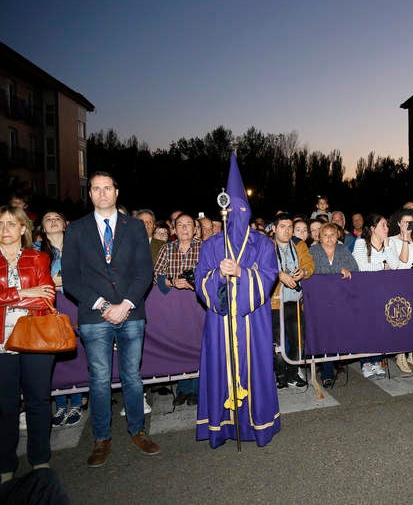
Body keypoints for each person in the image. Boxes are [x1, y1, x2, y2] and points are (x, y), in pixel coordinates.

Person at [62, 171, 160, 467]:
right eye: (96, 189)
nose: (102, 193)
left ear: (117, 192)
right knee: (100, 379)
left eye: (107, 188)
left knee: (132, 376)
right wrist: (103, 304)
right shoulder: (77, 229)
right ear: (89, 194)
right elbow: (71, 278)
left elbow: (145, 271)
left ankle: (138, 431)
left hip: (131, 314)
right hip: (94, 316)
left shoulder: (134, 228)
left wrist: (125, 304)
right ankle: (101, 439)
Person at [194, 155, 281, 448]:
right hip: (221, 323)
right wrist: (219, 274)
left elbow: (269, 278)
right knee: (221, 368)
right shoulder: (211, 245)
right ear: (224, 210)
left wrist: (242, 272)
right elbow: (200, 282)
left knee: (254, 369)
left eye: (242, 208)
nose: (238, 213)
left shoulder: (263, 244)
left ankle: (258, 424)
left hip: (252, 323)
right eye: (232, 208)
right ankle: (222, 426)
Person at [0, 205, 57, 483]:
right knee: (5, 405)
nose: (5, 230)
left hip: (35, 339)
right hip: (1, 345)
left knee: (38, 401)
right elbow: (33, 294)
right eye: (0, 224)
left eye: (11, 224)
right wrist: (24, 291)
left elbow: (46, 298)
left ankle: (40, 460)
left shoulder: (38, 258)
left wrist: (8, 296)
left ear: (23, 228)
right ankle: (4, 465)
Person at [34, 212, 83, 428]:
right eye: (47, 218)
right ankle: (61, 403)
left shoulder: (79, 247)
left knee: (79, 352)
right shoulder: (35, 252)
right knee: (56, 354)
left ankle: (79, 401)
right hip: (52, 307)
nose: (53, 220)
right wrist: (50, 282)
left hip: (78, 304)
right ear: (43, 228)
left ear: (65, 223)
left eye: (57, 217)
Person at [153, 213, 202, 405]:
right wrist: (173, 282)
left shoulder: (205, 247)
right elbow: (157, 276)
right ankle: (183, 388)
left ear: (195, 229)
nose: (184, 228)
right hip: (175, 305)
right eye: (180, 225)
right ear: (174, 228)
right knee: (180, 344)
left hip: (198, 304)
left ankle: (198, 388)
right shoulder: (167, 248)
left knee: (198, 344)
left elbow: (214, 273)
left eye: (188, 225)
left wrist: (196, 282)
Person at [308, 223, 359, 386]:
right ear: (319, 237)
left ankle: (337, 361)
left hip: (341, 301)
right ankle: (327, 372)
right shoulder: (313, 251)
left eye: (332, 234)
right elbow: (310, 271)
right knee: (326, 335)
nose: (329, 238)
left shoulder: (343, 250)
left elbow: (355, 269)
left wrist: (347, 270)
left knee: (339, 333)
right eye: (325, 235)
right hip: (320, 302)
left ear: (338, 236)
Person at [351, 214, 400, 378]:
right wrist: (382, 265)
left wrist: (387, 245)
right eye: (383, 225)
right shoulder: (361, 243)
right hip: (365, 292)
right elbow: (361, 266)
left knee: (380, 326)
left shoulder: (389, 243)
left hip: (383, 292)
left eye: (387, 225)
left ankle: (377, 361)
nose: (387, 228)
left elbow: (395, 265)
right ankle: (365, 362)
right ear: (373, 228)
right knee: (366, 327)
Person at [271, 213, 314, 389]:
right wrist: (278, 275)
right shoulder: (266, 245)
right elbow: (259, 266)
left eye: (289, 227)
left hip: (295, 302)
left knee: (298, 340)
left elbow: (309, 265)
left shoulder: (299, 244)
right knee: (276, 342)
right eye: (282, 226)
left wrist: (303, 272)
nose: (287, 230)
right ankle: (280, 374)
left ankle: (293, 373)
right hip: (274, 303)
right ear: (274, 229)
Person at [387, 210, 413, 374]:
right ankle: (400, 356)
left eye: (411, 222)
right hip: (398, 283)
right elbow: (402, 259)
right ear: (398, 224)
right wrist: (405, 237)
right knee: (402, 320)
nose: (408, 225)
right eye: (404, 222)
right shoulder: (391, 240)